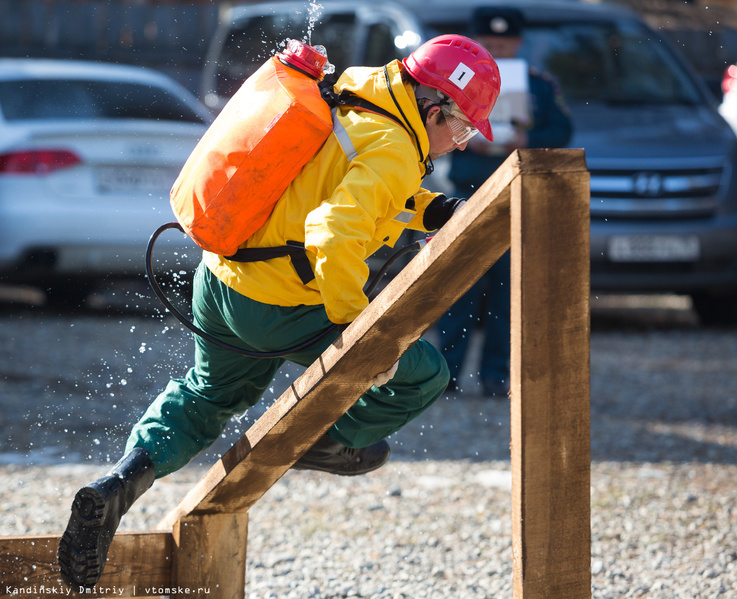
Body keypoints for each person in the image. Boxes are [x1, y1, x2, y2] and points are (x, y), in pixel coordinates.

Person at [57, 34, 501, 591]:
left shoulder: (350, 92)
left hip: (218, 279)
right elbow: (334, 229)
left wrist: (431, 209)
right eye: (459, 127)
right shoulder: (392, 146)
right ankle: (331, 441)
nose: (458, 144)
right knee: (423, 375)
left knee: (207, 395)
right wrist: (356, 327)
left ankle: (117, 485)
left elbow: (332, 188)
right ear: (433, 106)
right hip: (276, 304)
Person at [437, 7, 573, 397]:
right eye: (490, 44)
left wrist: (527, 141)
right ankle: (446, 372)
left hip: (517, 193)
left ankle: (497, 375)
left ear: (518, 43)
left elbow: (562, 127)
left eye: (504, 44)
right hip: (466, 195)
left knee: (507, 290)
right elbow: (434, 123)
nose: (497, 49)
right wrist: (468, 138)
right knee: (458, 285)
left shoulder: (538, 85)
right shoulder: (456, 83)